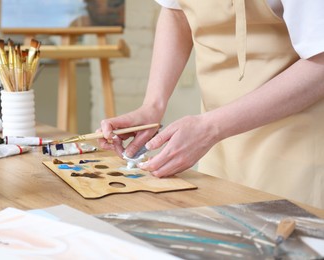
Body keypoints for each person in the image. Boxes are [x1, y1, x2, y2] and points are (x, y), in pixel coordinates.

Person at [97, 0, 324, 209]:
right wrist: (152, 106)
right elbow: (177, 13)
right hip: (217, 143)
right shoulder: (210, 132)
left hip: (295, 141)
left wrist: (211, 127)